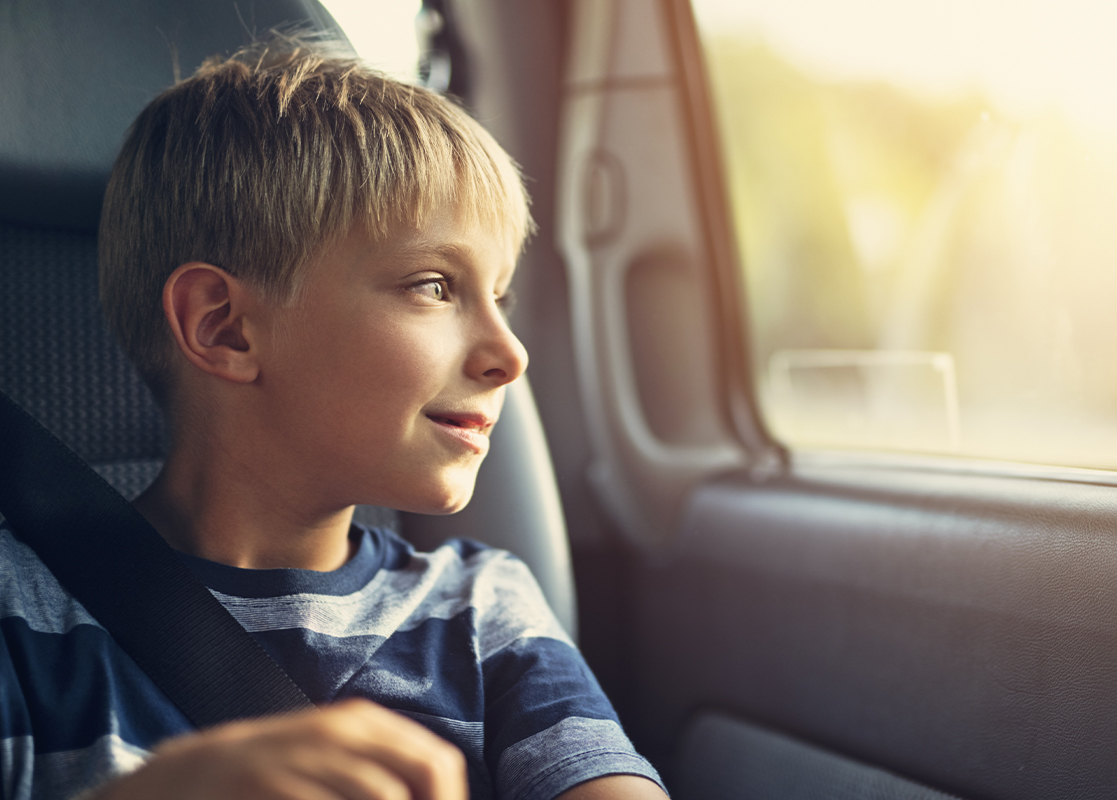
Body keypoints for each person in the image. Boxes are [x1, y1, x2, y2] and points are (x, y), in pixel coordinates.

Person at [0, 32, 668, 800]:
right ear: (225, 327)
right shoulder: (22, 618)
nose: (510, 353)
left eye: (502, 296)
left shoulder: (481, 609)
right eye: (433, 286)